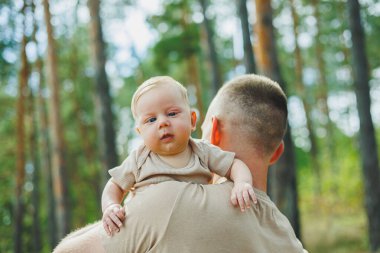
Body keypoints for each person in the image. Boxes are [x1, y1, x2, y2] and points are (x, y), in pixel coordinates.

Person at [53, 74, 307, 253]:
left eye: (173, 115)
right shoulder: (287, 237)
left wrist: (131, 209)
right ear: (277, 152)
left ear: (214, 131)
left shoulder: (167, 201)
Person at [101, 76, 256, 236]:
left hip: (192, 232)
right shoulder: (139, 158)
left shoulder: (201, 151)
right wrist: (110, 206)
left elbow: (234, 164)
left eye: (172, 114)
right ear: (140, 132)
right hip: (148, 235)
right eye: (151, 119)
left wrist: (242, 183)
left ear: (192, 119)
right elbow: (115, 185)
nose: (163, 122)